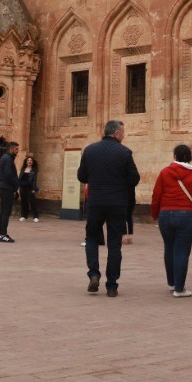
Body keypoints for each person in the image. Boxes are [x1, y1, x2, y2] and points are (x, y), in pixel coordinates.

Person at [77, 120, 139, 297]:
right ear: (117, 134)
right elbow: (134, 178)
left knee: (91, 238)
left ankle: (94, 274)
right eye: (123, 133)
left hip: (95, 202)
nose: (124, 136)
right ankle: (112, 285)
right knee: (114, 244)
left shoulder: (90, 150)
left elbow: (81, 176)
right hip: (117, 203)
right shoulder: (124, 152)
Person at [151, 144, 192, 298]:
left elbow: (156, 194)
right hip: (186, 215)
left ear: (175, 156)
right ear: (189, 157)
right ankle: (179, 288)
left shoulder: (164, 172)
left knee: (169, 248)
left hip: (165, 214)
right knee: (182, 250)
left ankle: (171, 282)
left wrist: (155, 213)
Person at [0, 141, 20, 242]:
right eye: (16, 149)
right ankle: (3, 234)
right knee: (6, 212)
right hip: (7, 188)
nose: (17, 151)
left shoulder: (5, 158)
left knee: (3, 211)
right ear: (11, 149)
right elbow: (9, 175)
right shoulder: (8, 159)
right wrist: (16, 185)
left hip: (4, 187)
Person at [18, 155, 40, 222]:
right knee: (23, 202)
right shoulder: (23, 169)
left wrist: (34, 188)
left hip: (30, 188)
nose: (29, 161)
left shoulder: (34, 170)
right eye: (28, 160)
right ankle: (24, 216)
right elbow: (20, 178)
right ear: (26, 162)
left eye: (31, 160)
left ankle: (35, 217)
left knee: (32, 202)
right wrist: (18, 187)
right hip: (22, 187)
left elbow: (35, 180)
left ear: (33, 162)